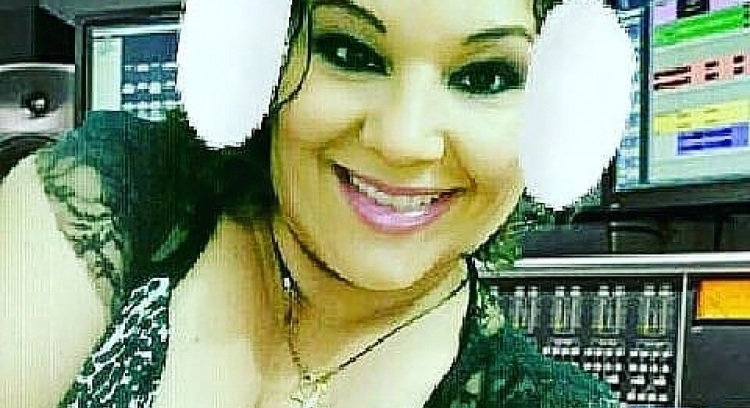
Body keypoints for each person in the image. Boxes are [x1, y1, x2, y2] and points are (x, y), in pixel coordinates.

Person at [0, 0, 631, 407]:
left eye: (485, 77)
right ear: (266, 55)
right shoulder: (113, 190)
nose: (403, 139)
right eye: (351, 54)